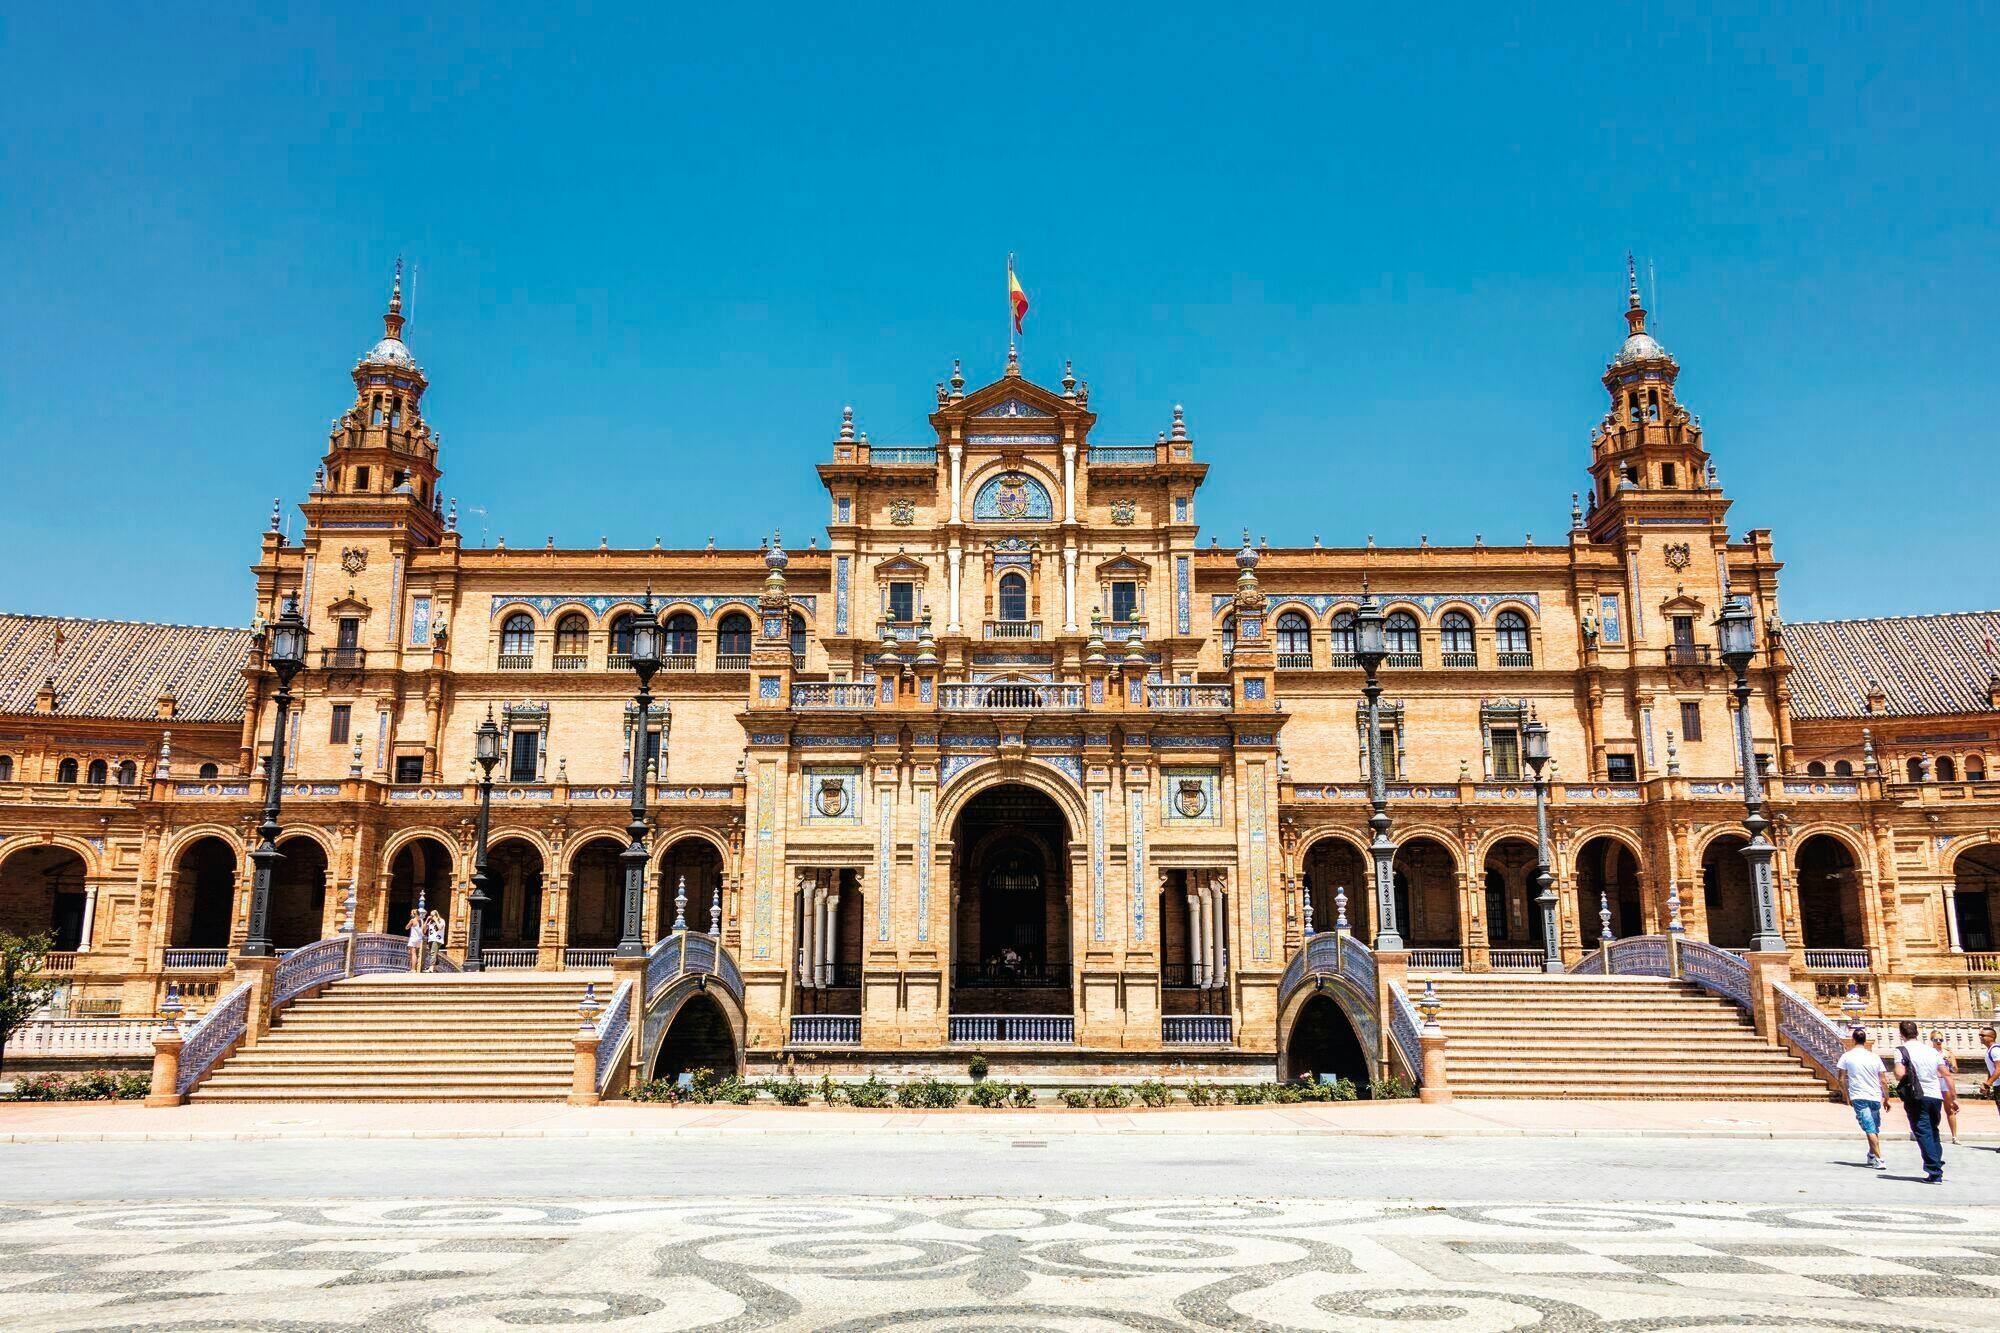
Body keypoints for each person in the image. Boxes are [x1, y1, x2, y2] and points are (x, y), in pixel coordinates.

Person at [1892, 1019, 1948, 1183]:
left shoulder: (1901, 1050)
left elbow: (1900, 1073)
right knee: (1933, 1130)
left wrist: (1898, 1075)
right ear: (1917, 1033)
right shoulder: (1932, 1051)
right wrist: (1952, 1098)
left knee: (1922, 1132)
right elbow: (1946, 1073)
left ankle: (1934, 1171)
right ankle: (1936, 1163)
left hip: (1917, 1095)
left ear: (1901, 1035)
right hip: (1935, 1096)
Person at [1835, 1027, 1889, 1169]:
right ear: (1865, 1040)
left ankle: (1879, 1159)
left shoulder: (1846, 1056)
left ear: (1853, 1040)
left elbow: (1840, 1079)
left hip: (1858, 1096)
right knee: (1873, 1127)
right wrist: (1887, 1098)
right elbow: (1883, 1080)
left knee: (1871, 1128)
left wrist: (1846, 1095)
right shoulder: (1874, 1056)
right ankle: (1872, 1155)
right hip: (1875, 1096)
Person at [1932, 1031, 1961, 1144]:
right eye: (1936, 1040)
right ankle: (1934, 1135)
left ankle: (1954, 1136)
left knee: (1950, 1109)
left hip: (1945, 1082)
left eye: (1940, 1040)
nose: (1938, 1042)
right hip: (1934, 1082)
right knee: (1934, 1110)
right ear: (1932, 1041)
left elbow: (1955, 1069)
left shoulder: (1948, 1053)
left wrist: (1950, 1062)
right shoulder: (1930, 1053)